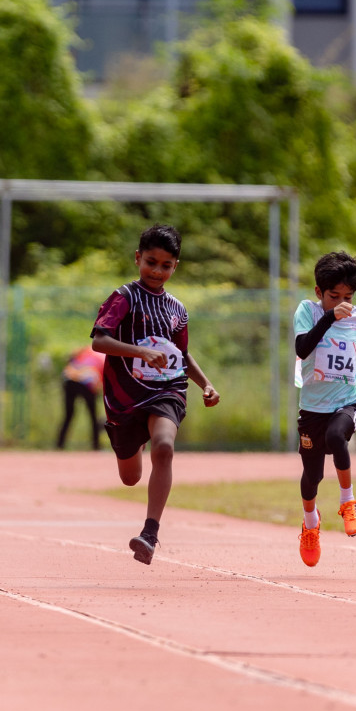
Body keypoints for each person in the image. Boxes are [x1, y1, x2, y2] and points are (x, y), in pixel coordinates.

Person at [90, 224, 219, 565]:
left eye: (166, 265)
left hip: (168, 389)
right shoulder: (123, 298)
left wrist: (205, 383)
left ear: (175, 266)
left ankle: (149, 534)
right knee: (130, 478)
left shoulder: (178, 309)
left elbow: (183, 355)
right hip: (125, 397)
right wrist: (139, 352)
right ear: (137, 258)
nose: (157, 270)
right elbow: (99, 341)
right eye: (151, 262)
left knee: (164, 447)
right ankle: (133, 438)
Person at [292, 251, 356, 567]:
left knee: (339, 437)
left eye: (347, 296)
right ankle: (311, 523)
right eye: (333, 296)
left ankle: (348, 502)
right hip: (312, 407)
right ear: (319, 293)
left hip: (347, 400)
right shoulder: (308, 312)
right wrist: (330, 316)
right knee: (312, 476)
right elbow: (302, 348)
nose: (341, 301)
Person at [56, 346, 106, 450]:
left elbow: (71, 356)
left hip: (69, 378)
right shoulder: (106, 355)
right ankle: (96, 446)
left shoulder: (88, 349)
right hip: (87, 381)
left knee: (68, 414)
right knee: (93, 415)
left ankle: (59, 444)